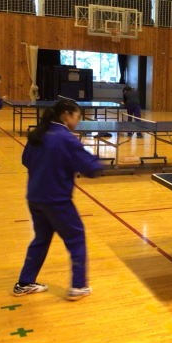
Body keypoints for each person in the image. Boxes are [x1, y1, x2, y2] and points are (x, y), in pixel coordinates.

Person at [14, 99, 103, 300]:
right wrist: (98, 161)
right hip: (57, 200)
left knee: (41, 238)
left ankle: (25, 282)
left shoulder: (39, 133)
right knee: (76, 238)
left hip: (34, 197)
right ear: (66, 114)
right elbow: (91, 168)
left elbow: (26, 160)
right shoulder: (67, 139)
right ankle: (78, 286)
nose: (78, 121)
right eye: (77, 116)